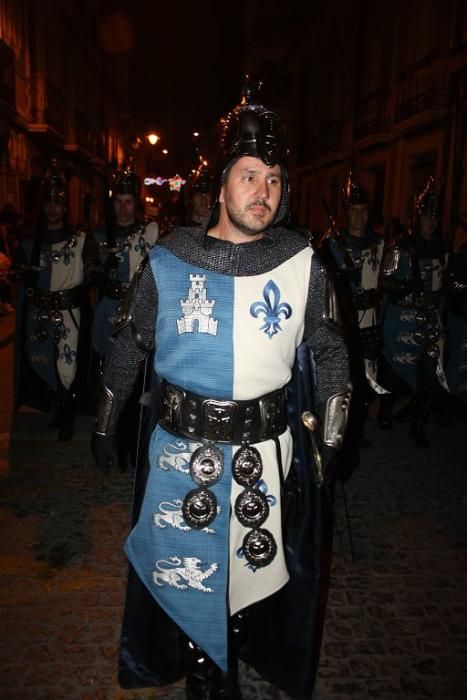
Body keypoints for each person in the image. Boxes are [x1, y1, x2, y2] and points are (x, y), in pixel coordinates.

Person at [91, 84, 351, 699]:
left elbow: (331, 350)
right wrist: (105, 423)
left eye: (276, 180)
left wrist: (335, 428)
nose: (265, 192)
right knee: (189, 579)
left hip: (264, 458)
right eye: (251, 175)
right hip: (184, 458)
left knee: (245, 578)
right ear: (221, 180)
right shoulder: (168, 259)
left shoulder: (305, 265)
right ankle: (207, 677)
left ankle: (230, 654)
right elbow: (129, 344)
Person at [14, 161, 97, 440]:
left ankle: (67, 411)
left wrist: (95, 270)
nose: (52, 209)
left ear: (65, 208)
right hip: (39, 312)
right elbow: (21, 274)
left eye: (57, 204)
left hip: (67, 311)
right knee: (43, 361)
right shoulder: (29, 241)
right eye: (48, 203)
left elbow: (91, 271)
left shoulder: (80, 240)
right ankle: (55, 405)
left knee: (67, 363)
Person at [91, 159, 159, 467]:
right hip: (107, 312)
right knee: (106, 374)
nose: (122, 209)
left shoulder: (150, 235)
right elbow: (87, 273)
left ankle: (130, 440)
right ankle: (106, 434)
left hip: (135, 314)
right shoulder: (96, 237)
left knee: (134, 381)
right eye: (117, 202)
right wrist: (97, 272)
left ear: (136, 204)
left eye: (128, 202)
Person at [378, 177, 449, 446]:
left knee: (428, 373)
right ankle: (386, 411)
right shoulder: (401, 245)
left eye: (434, 216)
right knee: (392, 371)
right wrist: (405, 284)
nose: (431, 221)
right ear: (417, 218)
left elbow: (444, 284)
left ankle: (418, 425)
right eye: (426, 216)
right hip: (401, 318)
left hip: (429, 318)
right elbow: (384, 280)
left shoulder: (442, 248)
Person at [322, 173, 385, 471]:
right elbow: (323, 285)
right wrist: (343, 283)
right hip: (344, 323)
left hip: (370, 320)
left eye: (363, 211)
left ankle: (358, 429)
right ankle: (341, 433)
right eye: (353, 211)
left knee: (367, 380)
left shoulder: (379, 245)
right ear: (345, 214)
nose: (359, 216)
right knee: (345, 381)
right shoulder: (331, 245)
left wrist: (377, 296)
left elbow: (386, 281)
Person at [184, 162, 212, 227]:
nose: (204, 200)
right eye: (199, 195)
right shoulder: (179, 232)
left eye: (207, 195)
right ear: (192, 199)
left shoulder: (222, 232)